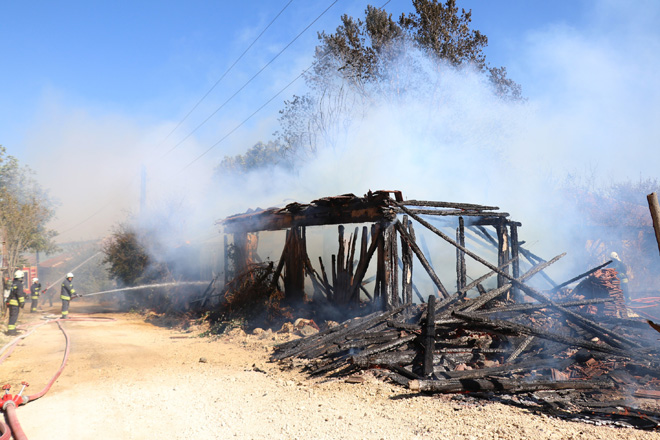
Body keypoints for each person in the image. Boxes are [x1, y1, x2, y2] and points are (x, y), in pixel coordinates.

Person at [6, 270, 26, 335]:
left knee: (12, 316)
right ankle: (11, 332)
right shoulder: (19, 284)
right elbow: (19, 294)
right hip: (15, 303)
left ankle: (12, 330)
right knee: (14, 317)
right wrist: (22, 302)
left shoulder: (12, 283)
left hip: (10, 302)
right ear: (21, 277)